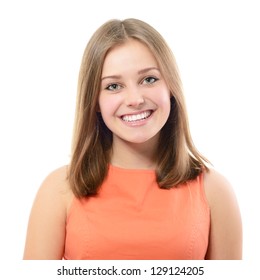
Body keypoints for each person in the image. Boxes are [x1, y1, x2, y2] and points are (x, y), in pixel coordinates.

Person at [23, 18, 242, 260]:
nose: (135, 99)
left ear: (171, 88)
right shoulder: (59, 189)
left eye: (149, 79)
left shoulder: (215, 191)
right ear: (95, 101)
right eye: (114, 86)